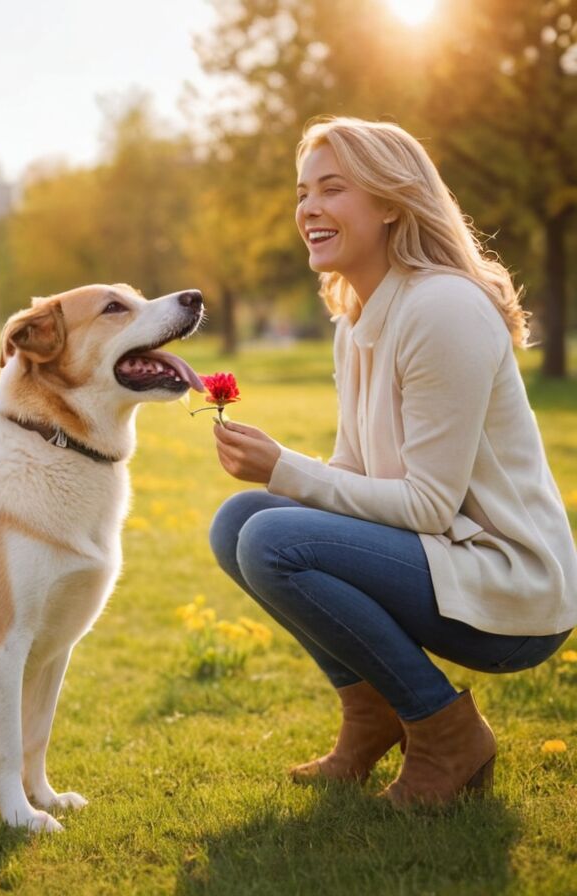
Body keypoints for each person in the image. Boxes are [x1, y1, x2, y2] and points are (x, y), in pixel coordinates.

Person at [208, 117, 577, 808]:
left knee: (270, 537)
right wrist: (280, 475)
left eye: (331, 189)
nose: (309, 208)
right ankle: (372, 712)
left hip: (510, 583)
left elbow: (428, 505)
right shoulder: (358, 318)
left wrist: (284, 468)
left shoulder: (442, 310)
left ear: (388, 203)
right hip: (440, 556)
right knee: (240, 522)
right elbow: (355, 469)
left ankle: (447, 735)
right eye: (302, 193)